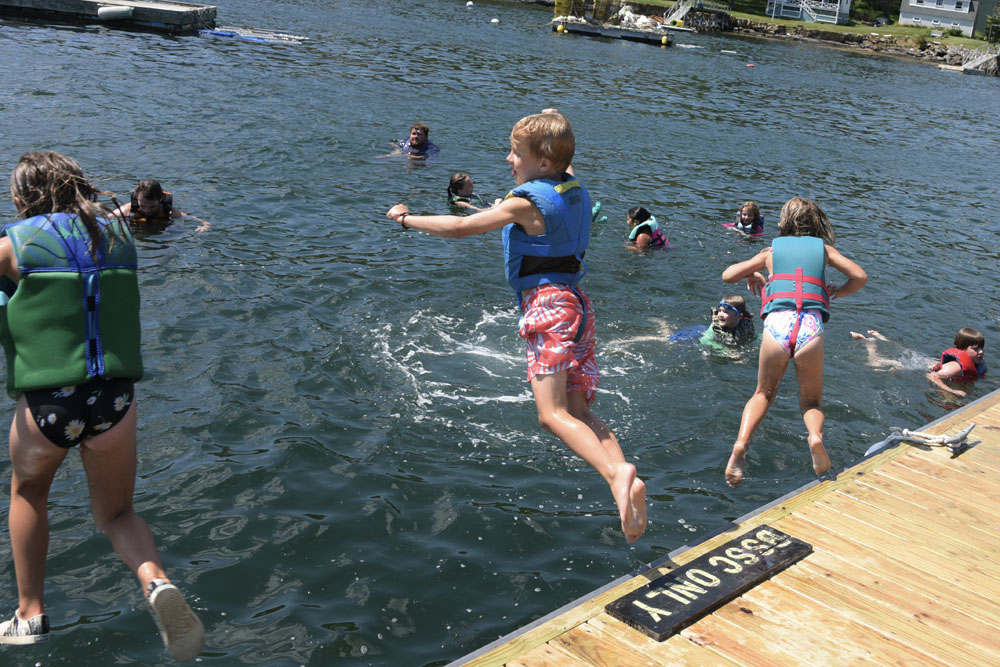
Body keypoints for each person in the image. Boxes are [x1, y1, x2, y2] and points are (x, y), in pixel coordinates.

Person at [386, 111, 647, 543]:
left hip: (548, 306)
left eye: (516, 153)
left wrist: (405, 218)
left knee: (552, 415)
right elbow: (561, 149)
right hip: (579, 305)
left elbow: (460, 227)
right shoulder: (573, 186)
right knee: (581, 412)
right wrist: (549, 118)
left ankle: (618, 473)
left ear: (543, 162)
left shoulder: (525, 204)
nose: (509, 159)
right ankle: (624, 489)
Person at [0, 152, 204, 661]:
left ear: (22, 199)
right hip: (114, 400)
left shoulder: (12, 248)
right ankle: (155, 580)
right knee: (117, 512)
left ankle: (30, 613)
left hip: (50, 403)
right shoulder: (121, 237)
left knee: (29, 494)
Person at [721, 197, 867, 488]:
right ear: (816, 223)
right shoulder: (824, 249)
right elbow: (860, 276)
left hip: (777, 324)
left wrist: (754, 272)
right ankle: (814, 438)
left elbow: (728, 275)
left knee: (763, 393)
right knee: (811, 402)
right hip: (809, 328)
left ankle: (740, 445)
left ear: (783, 222)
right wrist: (840, 291)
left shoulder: (770, 250)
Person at [851, 328, 985, 397]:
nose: (980, 352)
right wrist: (952, 391)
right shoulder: (956, 367)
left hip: (927, 361)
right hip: (920, 367)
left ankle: (882, 338)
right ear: (962, 349)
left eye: (981, 348)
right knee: (874, 363)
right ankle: (870, 344)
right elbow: (932, 376)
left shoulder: (971, 363)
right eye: (975, 349)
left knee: (904, 350)